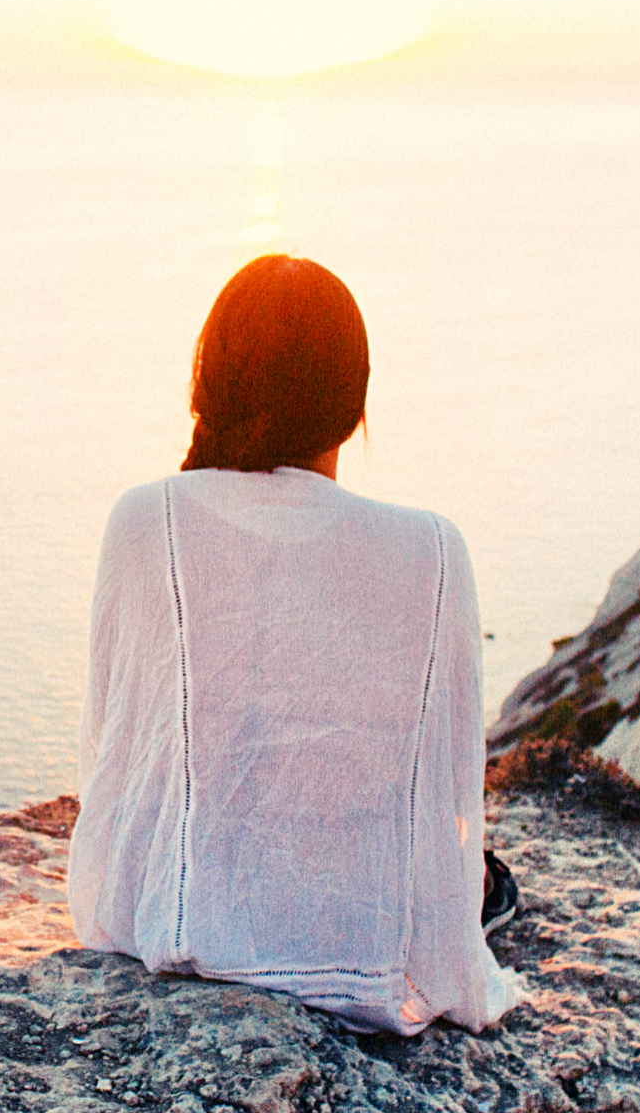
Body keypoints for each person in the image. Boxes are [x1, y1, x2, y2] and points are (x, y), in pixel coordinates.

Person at [68, 255, 522, 1034]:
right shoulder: (434, 550)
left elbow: (113, 763)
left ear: (207, 382)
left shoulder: (145, 522)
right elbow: (448, 785)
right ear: (352, 403)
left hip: (179, 922)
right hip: (362, 936)